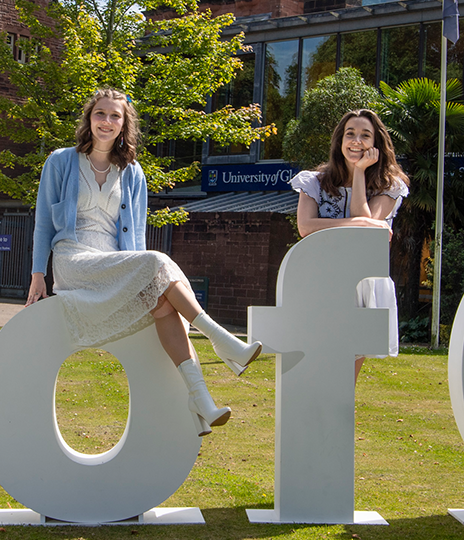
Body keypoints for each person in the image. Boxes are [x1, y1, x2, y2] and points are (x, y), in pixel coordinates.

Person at [26, 88, 262, 436]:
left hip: (115, 261)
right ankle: (219, 338)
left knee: (163, 301)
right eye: (100, 114)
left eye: (115, 116)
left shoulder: (133, 173)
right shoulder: (60, 161)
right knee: (155, 262)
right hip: (73, 259)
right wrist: (37, 274)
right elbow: (44, 222)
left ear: (124, 125)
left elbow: (135, 237)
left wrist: (148, 285)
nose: (106, 121)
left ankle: (201, 399)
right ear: (89, 119)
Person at [289, 109, 410, 379]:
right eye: (350, 134)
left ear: (376, 144)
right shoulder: (314, 182)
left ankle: (337, 415)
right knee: (313, 363)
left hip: (360, 282)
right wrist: (362, 224)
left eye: (365, 135)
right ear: (339, 141)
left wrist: (359, 173)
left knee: (345, 372)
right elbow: (306, 227)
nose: (356, 141)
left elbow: (364, 227)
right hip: (319, 277)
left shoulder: (390, 186)